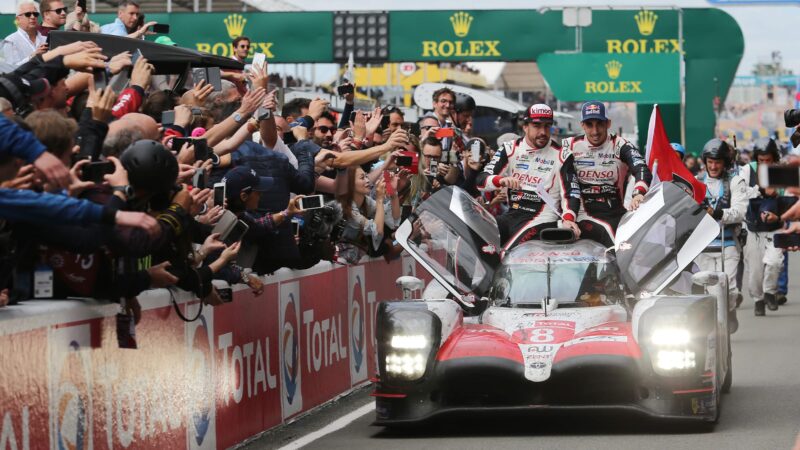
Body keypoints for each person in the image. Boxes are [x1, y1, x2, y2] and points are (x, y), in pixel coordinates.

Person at [477, 103, 580, 249]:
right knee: (480, 238)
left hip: (542, 220)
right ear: (525, 127)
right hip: (512, 214)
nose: (543, 132)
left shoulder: (562, 155)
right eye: (537, 126)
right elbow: (481, 181)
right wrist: (501, 180)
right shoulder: (510, 149)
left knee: (509, 251)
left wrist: (569, 218)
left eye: (547, 126)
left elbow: (572, 193)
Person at [563, 101, 652, 247]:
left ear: (608, 123)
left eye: (600, 124)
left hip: (616, 212)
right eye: (589, 125)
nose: (595, 131)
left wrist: (639, 193)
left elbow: (641, 168)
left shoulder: (620, 145)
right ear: (582, 125)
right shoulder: (569, 145)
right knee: (610, 239)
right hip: (583, 213)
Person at [693, 138, 747, 332]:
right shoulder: (695, 182)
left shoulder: (736, 181)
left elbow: (740, 212)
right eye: (710, 162)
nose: (713, 166)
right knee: (709, 291)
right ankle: (713, 328)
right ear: (705, 162)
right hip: (703, 245)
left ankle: (730, 310)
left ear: (725, 162)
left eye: (718, 162)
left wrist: (716, 213)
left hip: (728, 242)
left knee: (729, 290)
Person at [743, 137, 786, 316]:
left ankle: (770, 292)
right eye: (761, 160)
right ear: (756, 159)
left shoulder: (782, 171)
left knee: (775, 262)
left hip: (775, 227)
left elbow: (789, 196)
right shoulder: (747, 170)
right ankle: (758, 300)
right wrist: (761, 190)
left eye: (768, 160)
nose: (765, 164)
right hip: (753, 228)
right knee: (755, 272)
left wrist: (778, 195)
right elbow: (741, 192)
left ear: (774, 158)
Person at [2, 1, 47, 67]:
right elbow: (11, 69)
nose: (33, 17)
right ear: (18, 19)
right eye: (28, 14)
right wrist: (32, 57)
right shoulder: (10, 41)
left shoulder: (45, 39)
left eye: (35, 14)